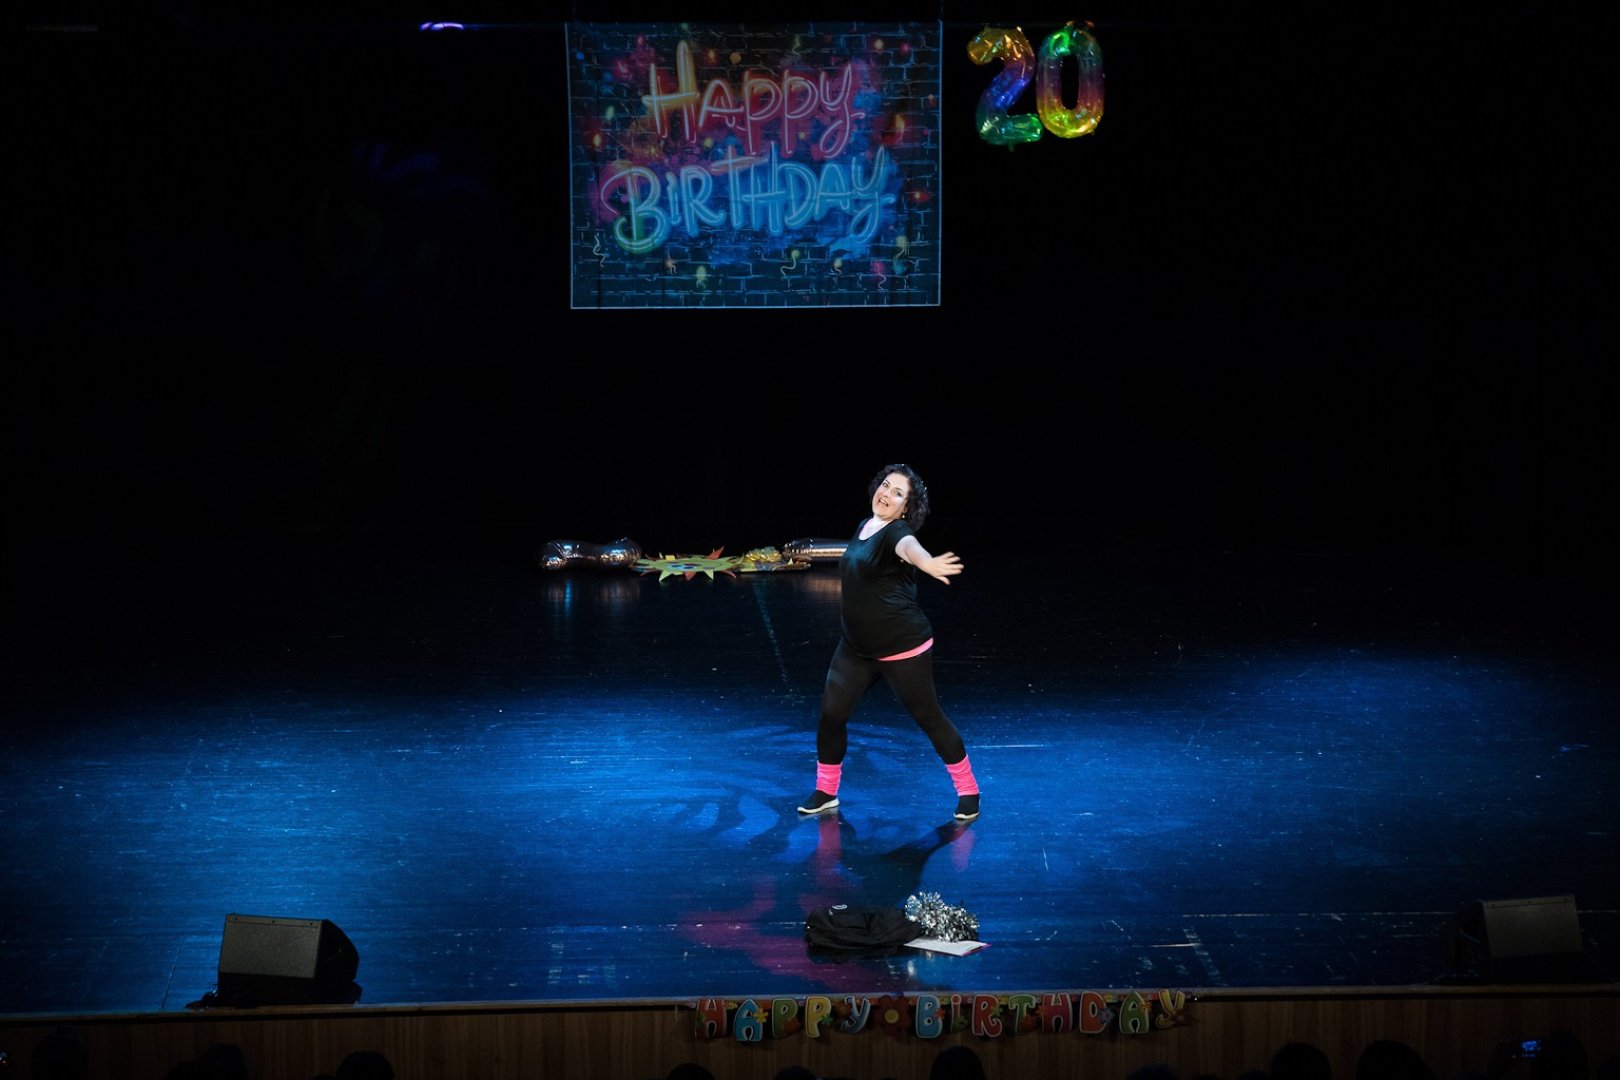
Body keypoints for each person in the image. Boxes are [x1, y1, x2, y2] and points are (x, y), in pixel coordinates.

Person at [797, 463, 982, 821]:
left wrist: (928, 563)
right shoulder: (864, 526)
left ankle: (969, 790)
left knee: (929, 718)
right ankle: (826, 792)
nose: (886, 494)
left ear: (906, 509)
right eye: (885, 485)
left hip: (902, 646)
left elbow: (910, 548)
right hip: (855, 648)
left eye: (898, 493)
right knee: (831, 716)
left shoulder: (898, 532)